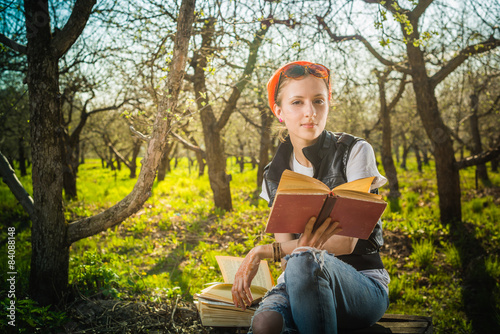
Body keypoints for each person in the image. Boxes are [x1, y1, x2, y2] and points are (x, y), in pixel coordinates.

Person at [231, 61, 390, 334]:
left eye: (318, 101)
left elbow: (345, 242)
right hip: (296, 280)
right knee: (264, 323)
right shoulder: (274, 174)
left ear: (328, 103)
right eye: (297, 102)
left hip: (362, 284)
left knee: (304, 257)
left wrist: (263, 250)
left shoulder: (354, 151)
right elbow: (286, 262)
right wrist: (299, 249)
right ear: (279, 112)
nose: (310, 112)